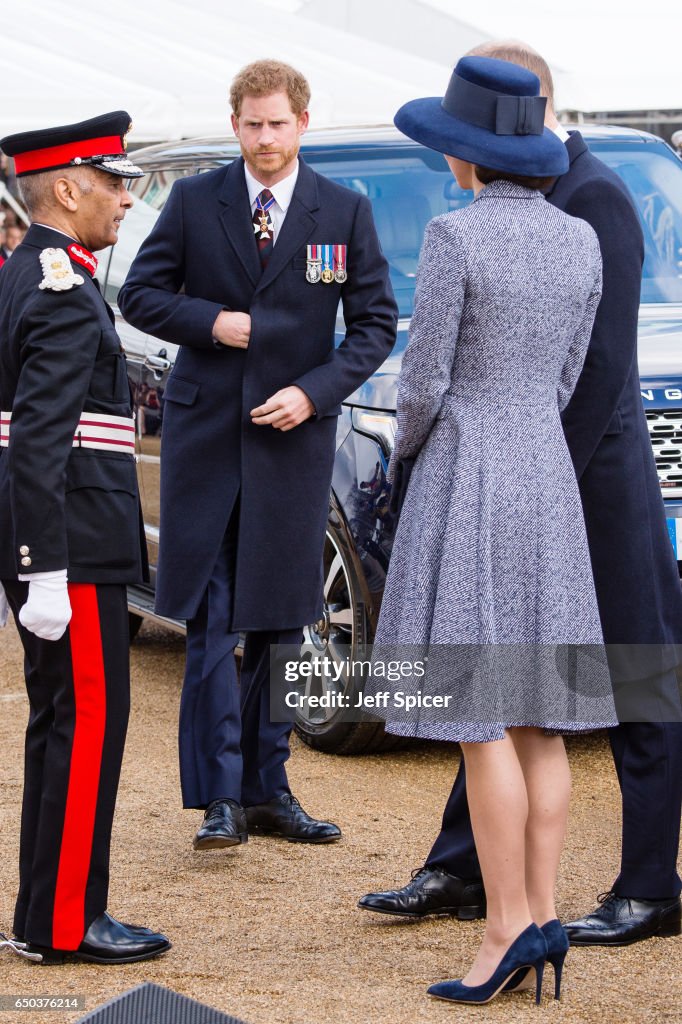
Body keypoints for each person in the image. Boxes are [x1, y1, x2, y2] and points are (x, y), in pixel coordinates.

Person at [360, 41, 682, 950]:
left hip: (592, 477)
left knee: (629, 673)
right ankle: (466, 867)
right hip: (533, 466)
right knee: (506, 685)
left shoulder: (600, 198)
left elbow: (603, 367)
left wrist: (528, 472)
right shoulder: (537, 209)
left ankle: (651, 880)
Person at [118, 60, 397, 852]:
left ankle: (269, 789)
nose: (264, 138)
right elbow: (141, 295)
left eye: (277, 123)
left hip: (293, 440)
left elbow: (373, 324)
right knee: (209, 620)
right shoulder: (195, 199)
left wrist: (314, 392)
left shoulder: (343, 210)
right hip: (206, 441)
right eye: (251, 124)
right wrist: (215, 322)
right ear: (235, 123)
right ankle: (218, 800)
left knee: (281, 620)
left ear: (301, 123)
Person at [0, 112, 170, 965]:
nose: (124, 198)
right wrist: (44, 571)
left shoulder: (31, 268)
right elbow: (36, 440)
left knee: (59, 726)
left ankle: (44, 916)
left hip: (64, 539)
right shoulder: (59, 282)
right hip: (74, 546)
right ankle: (66, 924)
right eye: (113, 183)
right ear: (66, 189)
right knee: (84, 728)